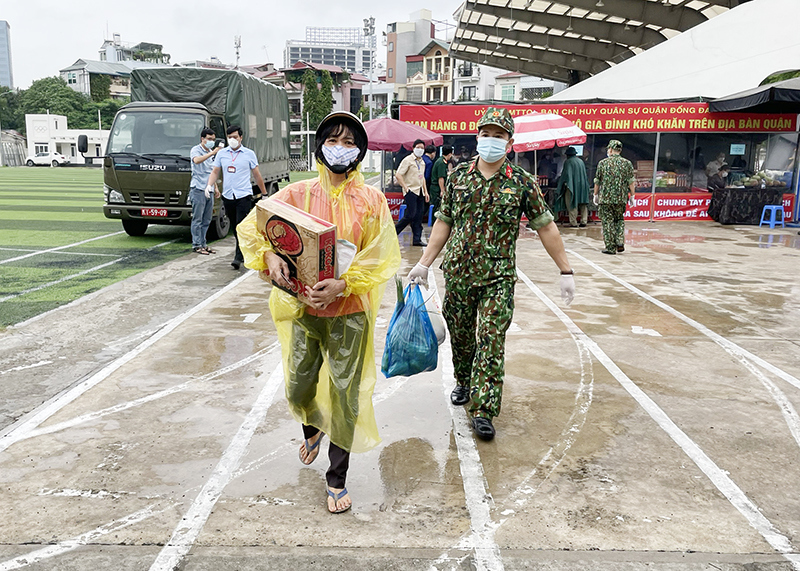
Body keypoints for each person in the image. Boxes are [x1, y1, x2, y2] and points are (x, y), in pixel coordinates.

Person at [237, 111, 401, 514]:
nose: (340, 149)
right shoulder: (297, 194)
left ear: (360, 152)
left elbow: (382, 255)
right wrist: (270, 256)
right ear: (319, 146)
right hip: (302, 309)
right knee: (298, 385)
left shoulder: (373, 200)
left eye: (349, 142)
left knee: (347, 397)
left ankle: (336, 478)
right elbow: (255, 228)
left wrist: (344, 284)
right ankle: (311, 429)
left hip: (349, 313)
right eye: (333, 140)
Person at [406, 107, 576, 442]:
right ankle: (465, 381)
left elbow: (546, 226)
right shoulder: (459, 179)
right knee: (463, 336)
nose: (491, 140)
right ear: (477, 136)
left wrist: (565, 269)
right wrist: (424, 262)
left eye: (499, 136)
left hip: (497, 276)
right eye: (486, 134)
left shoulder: (523, 183)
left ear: (509, 142)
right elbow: (443, 222)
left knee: (492, 339)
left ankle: (484, 409)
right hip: (458, 273)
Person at [206, 125, 268, 270]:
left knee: (241, 225)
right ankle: (242, 250)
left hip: (243, 195)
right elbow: (215, 171)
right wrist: (209, 184)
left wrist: (264, 194)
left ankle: (238, 257)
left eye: (235, 137)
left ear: (241, 137)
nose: (232, 140)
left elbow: (257, 175)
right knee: (234, 226)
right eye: (230, 137)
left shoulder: (248, 154)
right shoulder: (222, 154)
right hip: (228, 195)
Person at [593, 140, 635, 255]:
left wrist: (595, 195)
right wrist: (632, 196)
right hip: (621, 198)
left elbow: (597, 181)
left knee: (608, 222)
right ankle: (620, 241)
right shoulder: (627, 163)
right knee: (619, 219)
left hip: (606, 199)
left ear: (610, 150)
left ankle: (610, 247)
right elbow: (631, 181)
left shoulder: (602, 163)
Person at [189, 128, 222, 254]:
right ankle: (196, 244)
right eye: (209, 139)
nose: (211, 141)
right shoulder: (196, 150)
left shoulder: (210, 153)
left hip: (209, 189)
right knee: (197, 218)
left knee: (207, 219)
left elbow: (211, 172)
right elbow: (197, 160)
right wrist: (213, 153)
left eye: (213, 139)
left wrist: (215, 187)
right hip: (198, 188)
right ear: (202, 139)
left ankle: (203, 243)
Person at [395, 139, 430, 246]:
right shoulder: (408, 160)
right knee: (410, 215)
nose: (420, 150)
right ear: (413, 148)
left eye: (422, 148)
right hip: (411, 191)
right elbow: (398, 175)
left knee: (418, 216)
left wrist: (426, 191)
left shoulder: (422, 162)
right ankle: (394, 233)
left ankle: (417, 239)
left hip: (420, 191)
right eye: (418, 147)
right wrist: (405, 187)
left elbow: (422, 177)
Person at [555, 146, 591, 228]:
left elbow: (565, 175)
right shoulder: (581, 161)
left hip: (572, 186)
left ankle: (573, 222)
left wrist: (559, 186)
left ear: (568, 155)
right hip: (582, 186)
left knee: (571, 202)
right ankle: (583, 221)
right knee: (582, 203)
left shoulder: (568, 162)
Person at [430, 145, 452, 216]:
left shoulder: (442, 161)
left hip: (437, 187)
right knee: (436, 207)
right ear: (449, 154)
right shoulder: (441, 163)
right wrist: (442, 190)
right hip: (436, 188)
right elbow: (441, 178)